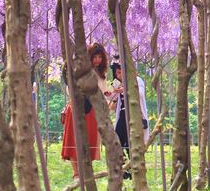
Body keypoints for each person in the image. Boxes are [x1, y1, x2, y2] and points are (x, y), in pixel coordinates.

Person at [61, 44, 109, 177]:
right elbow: (71, 88)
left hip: (93, 110)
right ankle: (76, 173)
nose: (98, 60)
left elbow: (102, 91)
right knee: (74, 140)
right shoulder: (82, 71)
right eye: (95, 57)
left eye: (100, 57)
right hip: (78, 107)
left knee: (90, 140)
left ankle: (86, 171)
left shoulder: (101, 74)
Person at [109, 61, 148, 160]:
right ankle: (124, 168)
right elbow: (112, 105)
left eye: (120, 72)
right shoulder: (118, 84)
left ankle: (133, 168)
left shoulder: (137, 80)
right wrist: (113, 94)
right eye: (117, 73)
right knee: (117, 143)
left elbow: (141, 94)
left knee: (132, 144)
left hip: (133, 116)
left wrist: (125, 89)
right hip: (122, 117)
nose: (119, 75)